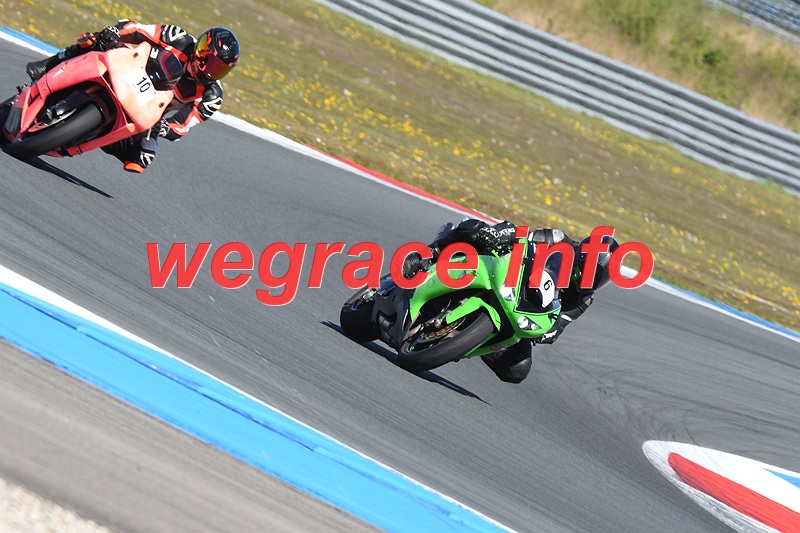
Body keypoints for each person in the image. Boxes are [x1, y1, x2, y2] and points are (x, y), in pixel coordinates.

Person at [402, 218, 619, 384]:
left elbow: (558, 325)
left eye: (598, 279)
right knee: (477, 230)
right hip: (504, 274)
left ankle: (460, 342)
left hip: (520, 310)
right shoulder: (558, 240)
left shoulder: (584, 300)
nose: (589, 281)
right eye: (589, 272)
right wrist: (499, 234)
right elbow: (521, 235)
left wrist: (545, 333)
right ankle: (431, 252)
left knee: (517, 368)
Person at [25, 21, 240, 173]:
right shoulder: (177, 38)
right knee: (96, 40)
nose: (209, 71)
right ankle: (49, 64)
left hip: (147, 112)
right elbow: (137, 29)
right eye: (208, 61)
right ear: (201, 49)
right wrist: (115, 32)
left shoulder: (211, 97)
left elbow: (182, 126)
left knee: (142, 157)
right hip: (130, 70)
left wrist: (164, 128)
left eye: (218, 69)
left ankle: (84, 136)